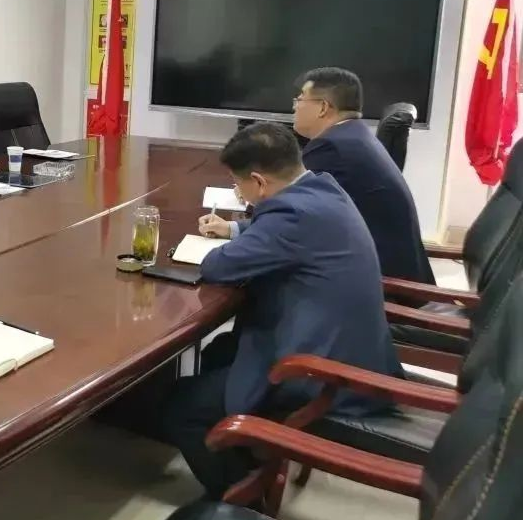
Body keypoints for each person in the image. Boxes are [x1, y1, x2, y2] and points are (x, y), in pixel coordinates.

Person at [165, 122, 402, 499]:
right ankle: (246, 449)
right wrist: (237, 230)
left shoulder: (291, 217)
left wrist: (232, 242)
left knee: (183, 406)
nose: (239, 193)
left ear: (258, 182)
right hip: (353, 353)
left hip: (322, 375)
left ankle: (241, 497)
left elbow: (217, 266)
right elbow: (279, 230)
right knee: (219, 351)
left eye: (238, 185)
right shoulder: (323, 187)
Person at [291, 67, 434, 283]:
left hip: (382, 286)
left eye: (300, 98)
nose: (295, 106)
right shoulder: (354, 135)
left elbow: (291, 217)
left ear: (323, 107)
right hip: (391, 272)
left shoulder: (331, 148)